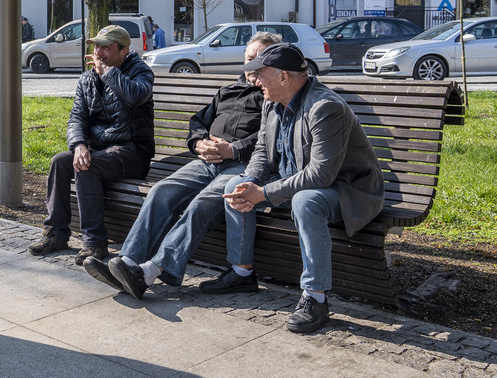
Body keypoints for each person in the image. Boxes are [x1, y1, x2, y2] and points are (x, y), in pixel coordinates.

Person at [199, 43, 383, 334]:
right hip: (294, 182)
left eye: (261, 74)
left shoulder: (325, 108)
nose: (256, 81)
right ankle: (241, 272)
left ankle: (315, 297)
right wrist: (251, 181)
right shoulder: (272, 102)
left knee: (306, 201)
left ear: (284, 77)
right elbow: (262, 151)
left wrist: (263, 193)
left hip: (347, 190)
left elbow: (320, 175)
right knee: (236, 185)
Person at [83, 32, 280, 298]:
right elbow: (198, 121)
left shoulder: (274, 95)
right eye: (249, 58)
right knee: (161, 191)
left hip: (242, 166)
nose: (252, 65)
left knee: (200, 203)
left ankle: (151, 271)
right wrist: (198, 143)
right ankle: (128, 263)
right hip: (208, 161)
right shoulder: (228, 91)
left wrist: (232, 149)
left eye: (260, 59)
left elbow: (271, 138)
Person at [28, 24, 155, 264]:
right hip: (100, 150)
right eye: (96, 46)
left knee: (87, 165)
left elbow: (135, 95)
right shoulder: (87, 78)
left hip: (132, 152)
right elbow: (77, 117)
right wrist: (78, 144)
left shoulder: (140, 72)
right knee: (61, 161)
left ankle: (95, 243)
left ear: (124, 50)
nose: (98, 52)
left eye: (106, 48)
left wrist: (107, 73)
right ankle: (56, 233)